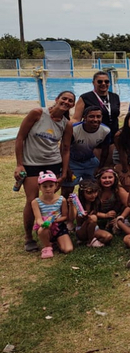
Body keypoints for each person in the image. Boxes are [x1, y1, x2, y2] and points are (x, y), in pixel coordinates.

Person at [15, 90, 75, 252]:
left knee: (51, 198)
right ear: (56, 99)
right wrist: (19, 164)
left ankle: (52, 232)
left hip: (53, 163)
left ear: (73, 105)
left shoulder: (66, 124)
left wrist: (63, 171)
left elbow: (66, 148)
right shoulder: (37, 113)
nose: (66, 102)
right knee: (32, 199)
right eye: (64, 98)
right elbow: (20, 137)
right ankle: (29, 236)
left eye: (70, 101)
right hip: (31, 163)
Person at [72, 71, 121, 161]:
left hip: (112, 138)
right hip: (93, 140)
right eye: (99, 81)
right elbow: (76, 118)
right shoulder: (85, 98)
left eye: (106, 81)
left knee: (109, 168)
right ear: (93, 82)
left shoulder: (115, 97)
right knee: (95, 168)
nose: (103, 84)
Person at [64, 106, 110, 195]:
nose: (95, 119)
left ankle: (88, 207)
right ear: (84, 117)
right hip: (72, 162)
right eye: (91, 116)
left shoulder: (105, 131)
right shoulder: (73, 130)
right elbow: (64, 149)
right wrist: (67, 169)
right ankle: (66, 208)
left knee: (93, 188)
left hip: (90, 161)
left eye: (98, 116)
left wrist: (100, 167)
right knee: (67, 190)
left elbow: (105, 151)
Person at [31, 171, 73, 259]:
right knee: (43, 229)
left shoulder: (62, 200)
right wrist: (44, 224)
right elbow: (38, 219)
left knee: (68, 249)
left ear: (56, 186)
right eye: (44, 186)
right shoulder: (35, 202)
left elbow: (65, 216)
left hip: (59, 226)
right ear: (39, 187)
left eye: (51, 186)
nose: (48, 189)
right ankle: (47, 246)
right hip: (45, 226)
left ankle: (57, 241)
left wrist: (55, 220)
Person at [75, 179, 113, 248]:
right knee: (93, 218)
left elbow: (96, 212)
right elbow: (73, 218)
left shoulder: (96, 202)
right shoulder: (78, 204)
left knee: (108, 237)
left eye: (95, 192)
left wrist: (106, 215)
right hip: (81, 230)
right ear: (82, 193)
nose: (93, 195)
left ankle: (90, 239)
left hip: (94, 228)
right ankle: (90, 241)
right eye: (89, 193)